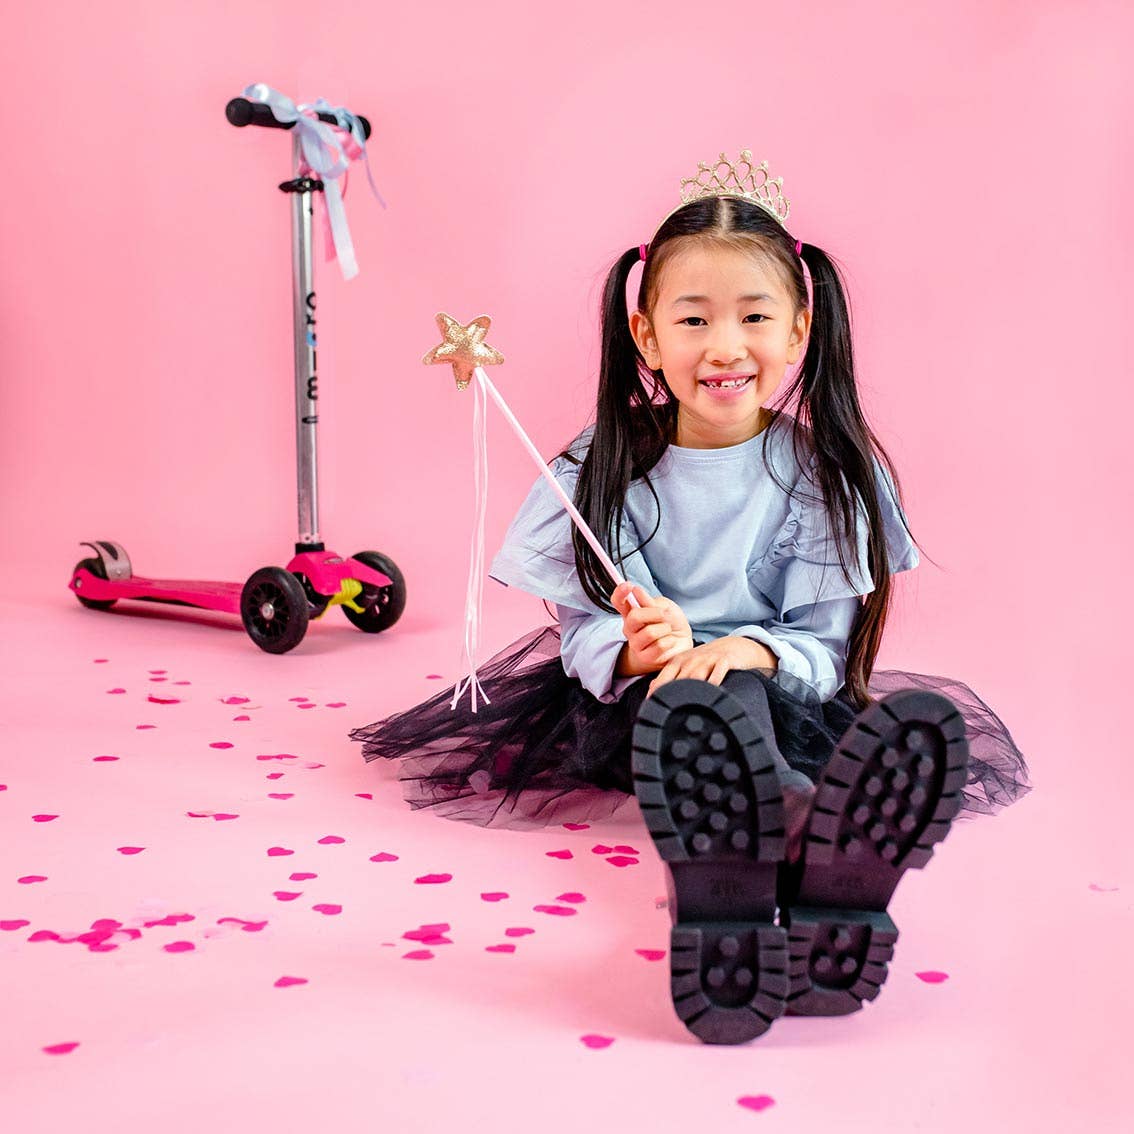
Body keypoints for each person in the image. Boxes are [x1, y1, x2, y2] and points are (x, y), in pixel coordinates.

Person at [351, 153, 1030, 1044]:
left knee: (732, 690)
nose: (723, 346)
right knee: (688, 704)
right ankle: (778, 831)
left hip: (774, 698)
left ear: (798, 329)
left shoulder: (820, 477)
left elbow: (820, 651)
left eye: (753, 317)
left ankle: (764, 842)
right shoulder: (608, 463)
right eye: (693, 318)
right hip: (639, 703)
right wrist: (640, 645)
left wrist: (742, 648)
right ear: (646, 336)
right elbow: (582, 639)